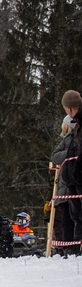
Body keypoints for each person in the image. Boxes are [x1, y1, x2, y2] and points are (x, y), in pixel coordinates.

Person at [60, 89, 82, 248]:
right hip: (74, 179)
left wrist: (76, 170)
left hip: (78, 176)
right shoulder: (78, 124)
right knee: (76, 216)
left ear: (69, 108)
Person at [50, 114, 75, 244]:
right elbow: (55, 156)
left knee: (73, 220)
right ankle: (67, 247)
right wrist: (69, 153)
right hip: (65, 189)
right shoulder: (66, 141)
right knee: (65, 221)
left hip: (72, 187)